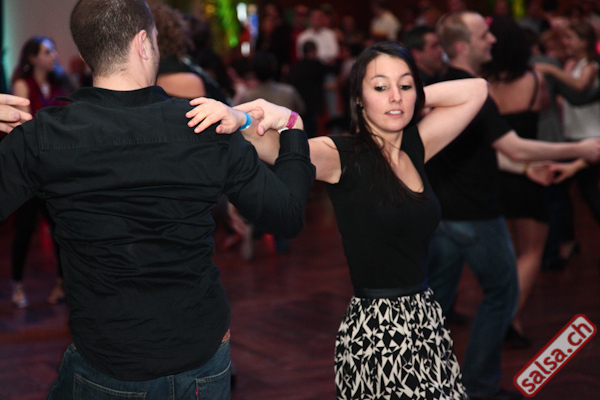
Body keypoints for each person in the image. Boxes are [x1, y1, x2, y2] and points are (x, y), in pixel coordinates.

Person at [0, 1, 314, 399]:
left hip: (111, 360)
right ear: (144, 44)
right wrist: (292, 126)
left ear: (86, 53)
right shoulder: (206, 123)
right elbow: (287, 215)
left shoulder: (42, 137)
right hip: (200, 357)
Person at [189, 41, 489, 400]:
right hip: (379, 332)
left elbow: (476, 90)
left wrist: (407, 95)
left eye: (405, 85)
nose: (395, 96)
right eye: (380, 87)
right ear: (358, 99)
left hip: (427, 320)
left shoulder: (415, 145)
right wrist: (243, 119)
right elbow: (273, 147)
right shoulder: (342, 155)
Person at [427, 11, 600, 400]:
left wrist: (524, 169)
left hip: (443, 216)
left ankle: (422, 383)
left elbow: (477, 152)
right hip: (476, 216)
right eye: (483, 36)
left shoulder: (440, 89)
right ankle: (479, 386)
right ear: (462, 47)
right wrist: (579, 149)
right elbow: (514, 146)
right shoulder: (473, 92)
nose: (491, 40)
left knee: (433, 306)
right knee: (502, 296)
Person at [9, 35, 71, 307]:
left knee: (60, 228)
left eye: (53, 50)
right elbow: (23, 130)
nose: (53, 55)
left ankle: (61, 284)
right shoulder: (23, 85)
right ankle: (17, 286)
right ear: (33, 57)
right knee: (24, 228)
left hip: (56, 170)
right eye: (47, 51)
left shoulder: (60, 84)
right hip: (30, 171)